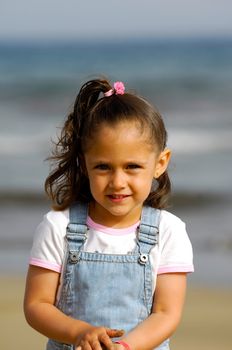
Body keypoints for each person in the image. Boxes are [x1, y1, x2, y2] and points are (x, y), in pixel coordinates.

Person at [24, 78, 194, 350]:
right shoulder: (58, 226)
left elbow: (166, 314)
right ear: (84, 164)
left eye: (132, 167)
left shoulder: (169, 230)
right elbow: (36, 305)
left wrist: (124, 347)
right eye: (103, 167)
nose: (117, 181)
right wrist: (79, 332)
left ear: (160, 163)